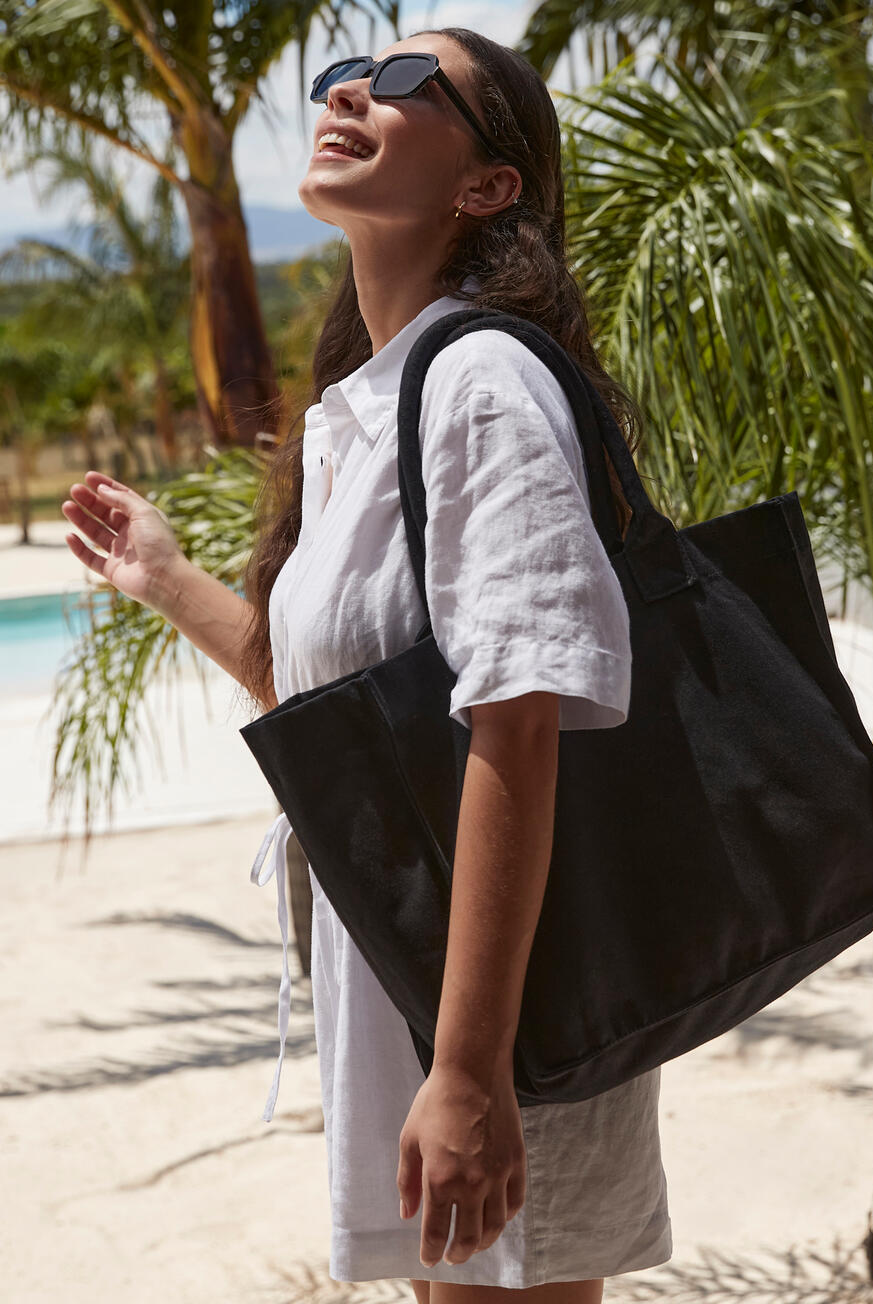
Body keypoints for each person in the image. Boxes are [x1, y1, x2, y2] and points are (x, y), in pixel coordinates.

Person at [60, 26, 673, 1303]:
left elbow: (519, 720)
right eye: (345, 70)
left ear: (487, 184)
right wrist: (167, 579)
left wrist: (472, 1069)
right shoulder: (369, 403)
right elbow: (338, 711)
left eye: (405, 83)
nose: (350, 88)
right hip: (420, 995)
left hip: (509, 1015)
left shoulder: (482, 383)